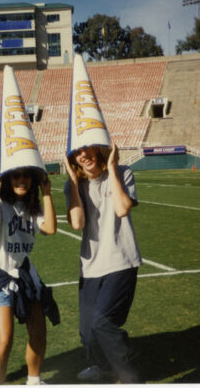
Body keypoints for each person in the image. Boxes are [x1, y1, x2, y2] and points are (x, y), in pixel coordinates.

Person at [63, 142, 142, 384]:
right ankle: (105, 369)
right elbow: (76, 223)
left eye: (87, 149)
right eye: (77, 152)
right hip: (91, 266)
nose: (84, 155)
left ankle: (130, 377)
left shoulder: (123, 172)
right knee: (87, 333)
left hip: (121, 260)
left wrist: (112, 167)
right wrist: (74, 182)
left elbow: (122, 209)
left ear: (98, 149)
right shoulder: (73, 185)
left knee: (102, 322)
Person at [0, 167, 59, 385]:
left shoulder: (33, 208)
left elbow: (50, 228)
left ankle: (33, 380)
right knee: (4, 340)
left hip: (24, 272)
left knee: (39, 332)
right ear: (7, 180)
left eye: (26, 177)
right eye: (16, 176)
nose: (22, 180)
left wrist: (47, 193)